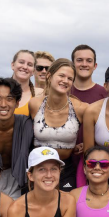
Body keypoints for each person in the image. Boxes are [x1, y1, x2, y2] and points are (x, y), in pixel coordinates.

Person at [28, 59, 88, 192]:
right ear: (49, 76)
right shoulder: (34, 104)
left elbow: (98, 128)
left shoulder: (80, 108)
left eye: (70, 78)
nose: (65, 81)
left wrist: (82, 145)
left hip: (66, 169)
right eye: (61, 76)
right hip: (38, 167)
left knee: (64, 208)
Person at [70, 45, 108, 188]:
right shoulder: (64, 90)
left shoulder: (103, 93)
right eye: (79, 60)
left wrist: (89, 144)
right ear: (73, 64)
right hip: (66, 161)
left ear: (95, 65)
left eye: (88, 61)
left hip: (94, 164)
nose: (84, 64)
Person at [11, 49, 39, 114]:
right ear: (13, 65)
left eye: (29, 64)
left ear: (33, 71)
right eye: (21, 62)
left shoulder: (40, 94)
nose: (25, 67)